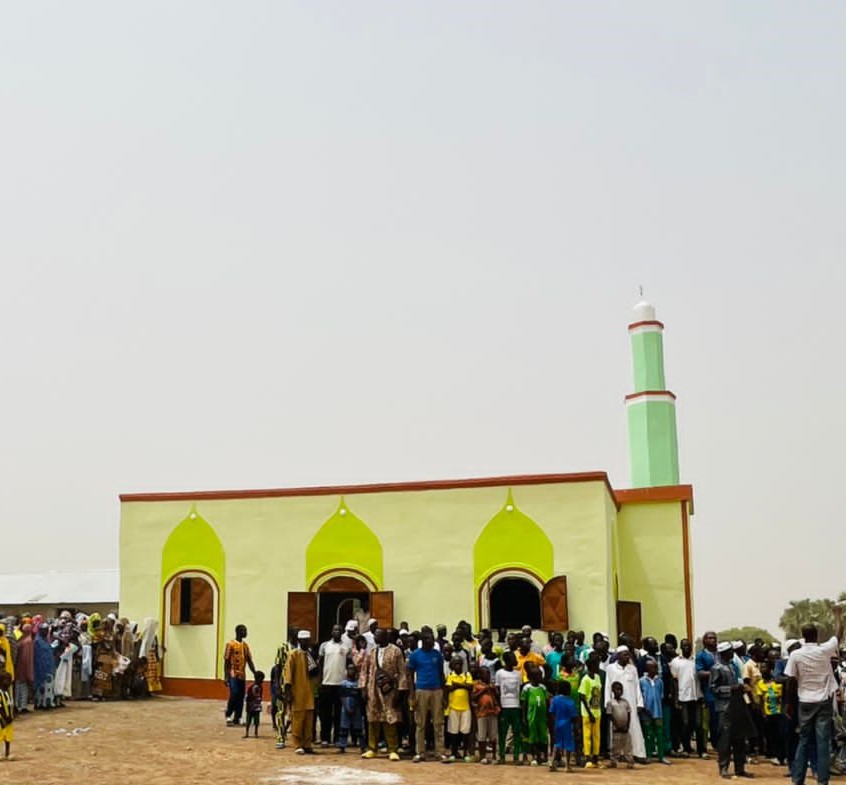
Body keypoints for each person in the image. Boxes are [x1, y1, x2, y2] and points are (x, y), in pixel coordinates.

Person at [786, 614, 842, 785]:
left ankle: (797, 779)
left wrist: (789, 704)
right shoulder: (824, 650)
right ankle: (822, 781)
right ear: (816, 635)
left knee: (803, 740)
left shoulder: (795, 655)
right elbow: (838, 635)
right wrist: (838, 616)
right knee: (822, 742)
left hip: (804, 701)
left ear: (803, 636)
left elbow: (790, 681)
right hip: (823, 701)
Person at [359, 627, 408, 761]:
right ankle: (372, 748)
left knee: (390, 719)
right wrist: (363, 688)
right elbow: (364, 671)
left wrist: (400, 690)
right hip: (373, 689)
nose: (375, 638)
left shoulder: (396, 651)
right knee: (373, 719)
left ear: (385, 637)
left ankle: (393, 749)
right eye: (375, 636)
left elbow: (402, 672)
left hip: (389, 690)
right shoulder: (372, 652)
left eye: (378, 635)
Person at [710, 640, 755, 779]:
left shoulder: (732, 666)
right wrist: (731, 688)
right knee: (725, 739)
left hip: (737, 706)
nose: (732, 653)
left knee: (739, 738)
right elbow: (713, 688)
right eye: (730, 651)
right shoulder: (716, 668)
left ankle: (740, 768)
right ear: (725, 653)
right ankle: (723, 768)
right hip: (724, 708)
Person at [406, 628, 445, 762]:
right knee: (420, 723)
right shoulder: (415, 655)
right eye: (428, 638)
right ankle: (420, 752)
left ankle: (440, 752)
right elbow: (410, 676)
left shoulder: (437, 655)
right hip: (421, 690)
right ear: (423, 640)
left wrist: (443, 693)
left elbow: (441, 674)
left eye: (432, 638)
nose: (432, 641)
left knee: (438, 723)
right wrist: (412, 694)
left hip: (437, 690)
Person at [604, 645, 646, 761]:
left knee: (633, 727)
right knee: (617, 729)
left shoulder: (633, 669)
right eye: (625, 654)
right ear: (618, 656)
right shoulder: (611, 668)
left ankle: (637, 753)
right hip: (616, 704)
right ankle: (619, 754)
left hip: (631, 703)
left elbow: (637, 686)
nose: (627, 656)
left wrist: (640, 703)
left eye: (628, 654)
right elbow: (608, 686)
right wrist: (608, 703)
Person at [670, 637, 706, 758]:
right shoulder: (675, 662)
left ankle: (702, 751)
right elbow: (674, 682)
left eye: (689, 646)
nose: (687, 648)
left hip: (697, 696)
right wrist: (675, 699)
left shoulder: (696, 661)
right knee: (685, 724)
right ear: (681, 647)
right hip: (683, 697)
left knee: (699, 725)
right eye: (684, 645)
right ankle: (686, 749)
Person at [284, 630, 318, 754]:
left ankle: (307, 744)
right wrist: (288, 691)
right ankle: (297, 744)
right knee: (297, 720)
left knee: (309, 720)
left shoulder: (310, 655)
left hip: (309, 692)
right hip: (297, 692)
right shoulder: (293, 654)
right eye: (304, 640)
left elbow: (315, 673)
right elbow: (288, 674)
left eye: (308, 640)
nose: (306, 642)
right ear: (299, 641)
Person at [318, 624, 350, 747]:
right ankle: (325, 738)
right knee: (325, 713)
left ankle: (337, 738)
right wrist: (320, 681)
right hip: (326, 683)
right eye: (335, 629)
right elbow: (320, 664)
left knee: (338, 714)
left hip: (341, 685)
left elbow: (348, 665)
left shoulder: (346, 647)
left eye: (339, 630)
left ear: (342, 632)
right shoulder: (325, 646)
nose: (337, 632)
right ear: (331, 632)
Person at [223, 624, 255, 726]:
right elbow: (226, 661)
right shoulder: (231, 644)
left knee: (241, 696)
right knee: (234, 694)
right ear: (238, 632)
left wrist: (254, 672)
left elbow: (249, 660)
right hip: (233, 673)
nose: (245, 633)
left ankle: (238, 717)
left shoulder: (245, 646)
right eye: (243, 631)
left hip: (242, 674)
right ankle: (228, 714)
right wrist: (226, 676)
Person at [639, 659, 671, 764]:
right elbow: (640, 697)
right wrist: (645, 708)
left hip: (658, 712)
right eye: (653, 667)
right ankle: (648, 755)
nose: (656, 669)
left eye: (656, 667)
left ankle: (661, 756)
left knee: (660, 733)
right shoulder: (642, 681)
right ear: (647, 669)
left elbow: (661, 696)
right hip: (646, 712)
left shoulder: (659, 681)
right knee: (648, 734)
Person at [495, 650, 523, 764]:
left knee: (517, 732)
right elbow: (497, 689)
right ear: (507, 661)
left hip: (515, 706)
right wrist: (498, 704)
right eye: (513, 658)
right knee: (502, 732)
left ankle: (516, 756)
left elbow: (520, 689)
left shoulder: (518, 674)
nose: (515, 660)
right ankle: (501, 755)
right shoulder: (500, 673)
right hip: (504, 706)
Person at [444, 654, 473, 762]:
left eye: (459, 664)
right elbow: (449, 688)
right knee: (453, 732)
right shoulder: (450, 675)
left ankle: (465, 753)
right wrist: (462, 685)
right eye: (455, 664)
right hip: (453, 707)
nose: (458, 666)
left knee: (465, 732)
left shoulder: (467, 674)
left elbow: (470, 687)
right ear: (452, 665)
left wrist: (457, 685)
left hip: (466, 708)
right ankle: (454, 752)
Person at [757, 660, 785, 765]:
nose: (763, 670)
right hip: (768, 712)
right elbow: (760, 699)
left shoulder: (777, 682)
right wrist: (763, 712)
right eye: (761, 668)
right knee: (769, 735)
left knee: (779, 734)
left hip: (778, 711)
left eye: (765, 667)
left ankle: (780, 755)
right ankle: (771, 754)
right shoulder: (760, 684)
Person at [521, 664, 549, 766]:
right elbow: (524, 703)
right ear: (531, 677)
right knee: (533, 737)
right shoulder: (527, 688)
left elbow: (546, 701)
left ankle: (544, 757)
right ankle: (534, 757)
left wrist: (548, 715)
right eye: (538, 676)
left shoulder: (543, 688)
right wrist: (524, 717)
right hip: (532, 717)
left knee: (543, 737)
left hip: (542, 718)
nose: (540, 678)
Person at [471, 666, 500, 764]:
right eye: (485, 673)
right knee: (482, 736)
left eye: (488, 673)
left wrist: (494, 690)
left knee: (493, 735)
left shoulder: (492, 685)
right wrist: (484, 690)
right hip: (482, 713)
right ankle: (482, 756)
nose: (487, 675)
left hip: (492, 712)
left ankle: (494, 756)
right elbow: (473, 697)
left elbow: (497, 696)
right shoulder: (477, 685)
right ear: (480, 675)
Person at [579, 654, 604, 768]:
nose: (598, 666)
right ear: (591, 666)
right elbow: (582, 697)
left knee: (596, 736)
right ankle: (587, 757)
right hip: (587, 713)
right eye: (596, 665)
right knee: (587, 736)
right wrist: (589, 713)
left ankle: (595, 757)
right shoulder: (585, 679)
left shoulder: (598, 677)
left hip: (597, 711)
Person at [696, 630, 719, 747]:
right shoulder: (701, 655)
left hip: (723, 692)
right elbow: (699, 672)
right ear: (704, 640)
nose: (713, 640)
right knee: (712, 720)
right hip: (709, 692)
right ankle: (714, 743)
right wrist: (715, 673)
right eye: (710, 638)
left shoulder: (720, 654)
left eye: (714, 638)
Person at [549, 680, 578, 771]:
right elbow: (574, 717)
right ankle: (567, 766)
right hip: (567, 726)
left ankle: (552, 762)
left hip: (557, 725)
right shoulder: (570, 702)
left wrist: (553, 724)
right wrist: (576, 727)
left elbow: (551, 712)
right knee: (568, 745)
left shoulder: (555, 699)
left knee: (557, 744)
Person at [607, 681, 634, 768]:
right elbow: (610, 715)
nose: (618, 691)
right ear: (613, 691)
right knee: (615, 745)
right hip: (616, 729)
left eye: (620, 689)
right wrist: (616, 724)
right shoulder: (610, 703)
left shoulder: (625, 702)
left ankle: (630, 761)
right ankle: (613, 761)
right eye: (617, 689)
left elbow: (629, 713)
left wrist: (627, 725)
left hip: (625, 728)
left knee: (627, 746)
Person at [337, 663, 364, 752]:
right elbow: (341, 696)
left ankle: (362, 746)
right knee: (344, 727)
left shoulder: (358, 684)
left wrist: (355, 707)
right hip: (345, 708)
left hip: (356, 708)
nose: (351, 671)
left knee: (359, 728)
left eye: (353, 669)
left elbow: (359, 697)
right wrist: (346, 707)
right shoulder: (343, 683)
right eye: (349, 669)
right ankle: (342, 746)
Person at [12, 623, 33, 713]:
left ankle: (17, 705)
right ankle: (22, 706)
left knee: (18, 687)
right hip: (23, 668)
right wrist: (29, 672)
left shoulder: (21, 640)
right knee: (23, 688)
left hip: (18, 668)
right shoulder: (28, 641)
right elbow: (27, 658)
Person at [33, 626, 55, 710]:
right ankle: (39, 704)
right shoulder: (37, 641)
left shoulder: (46, 640)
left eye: (46, 630)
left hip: (48, 667)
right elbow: (37, 656)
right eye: (44, 630)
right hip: (40, 667)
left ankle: (46, 703)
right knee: (40, 687)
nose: (45, 632)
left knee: (48, 687)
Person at [244, 670, 264, 738]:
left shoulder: (256, 687)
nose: (262, 681)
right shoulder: (256, 687)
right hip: (253, 706)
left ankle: (251, 733)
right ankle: (252, 733)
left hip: (253, 706)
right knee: (252, 720)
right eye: (261, 679)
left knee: (253, 720)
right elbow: (249, 697)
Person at [0, 672, 13, 761]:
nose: (8, 683)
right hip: (2, 718)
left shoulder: (8, 693)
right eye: (6, 680)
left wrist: (11, 716)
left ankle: (7, 753)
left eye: (9, 680)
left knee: (8, 737)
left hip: (9, 718)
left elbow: (10, 705)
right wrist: (4, 717)